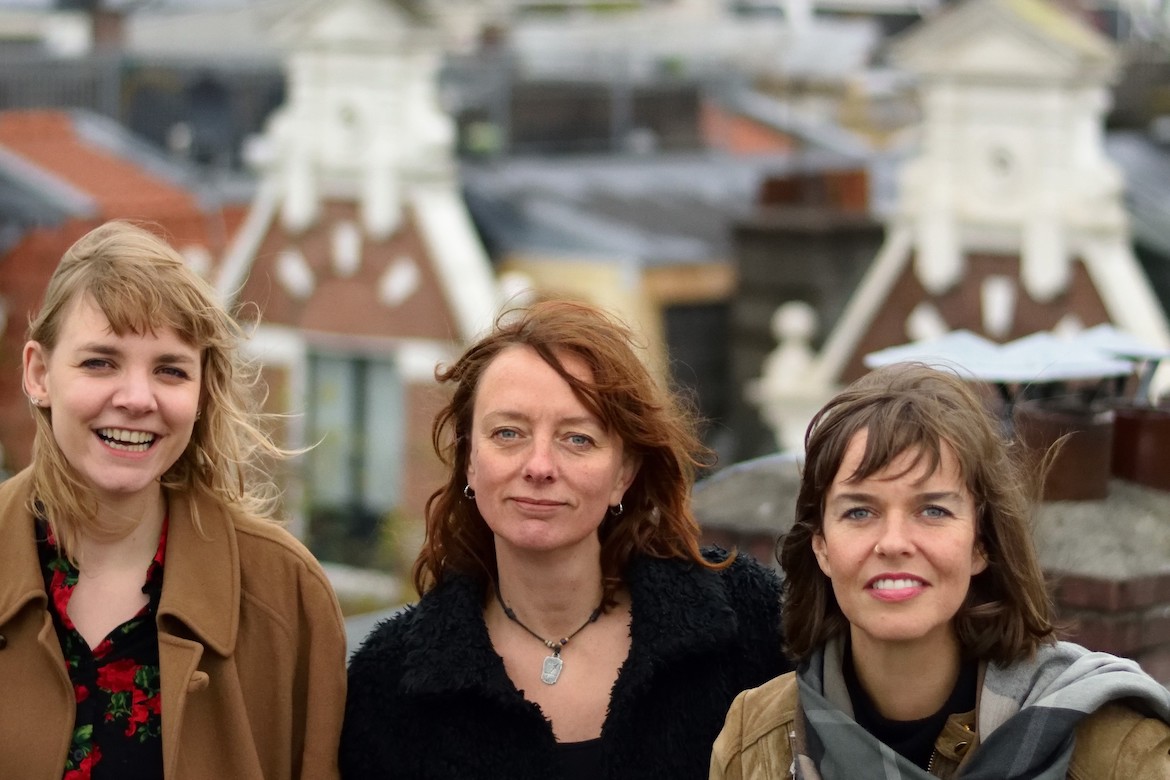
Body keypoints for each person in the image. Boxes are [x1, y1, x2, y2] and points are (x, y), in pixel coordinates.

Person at [341, 299, 790, 779]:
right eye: (508, 433)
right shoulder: (388, 684)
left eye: (578, 438)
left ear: (624, 473)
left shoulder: (747, 621)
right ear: (469, 460)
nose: (539, 467)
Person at [0, 220, 347, 779]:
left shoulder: (287, 595)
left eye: (170, 370)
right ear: (39, 373)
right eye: (99, 362)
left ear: (202, 391)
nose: (138, 399)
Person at [711, 362, 1170, 780]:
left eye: (932, 510)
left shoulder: (1115, 749)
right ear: (822, 547)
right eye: (859, 512)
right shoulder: (756, 743)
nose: (893, 542)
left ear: (981, 544)